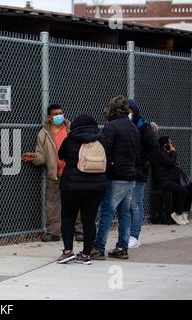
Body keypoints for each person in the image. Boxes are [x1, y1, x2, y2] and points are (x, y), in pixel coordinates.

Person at [22, 104, 83, 242]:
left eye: (61, 113)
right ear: (50, 117)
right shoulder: (43, 133)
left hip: (73, 173)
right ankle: (54, 232)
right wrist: (34, 158)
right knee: (52, 203)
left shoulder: (71, 129)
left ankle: (80, 231)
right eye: (55, 114)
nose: (59, 116)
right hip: (54, 174)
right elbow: (42, 155)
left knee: (77, 201)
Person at [91, 96, 140, 260]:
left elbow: (105, 151)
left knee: (107, 211)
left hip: (115, 175)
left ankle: (98, 248)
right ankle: (122, 247)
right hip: (130, 175)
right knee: (124, 212)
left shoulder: (111, 127)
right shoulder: (133, 127)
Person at [56, 114, 108, 265]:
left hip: (72, 186)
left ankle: (68, 252)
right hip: (97, 187)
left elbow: (61, 155)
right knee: (89, 220)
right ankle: (86, 254)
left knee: (68, 218)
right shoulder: (102, 139)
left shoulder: (70, 139)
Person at [127, 99, 160, 248]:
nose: (128, 113)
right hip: (126, 171)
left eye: (130, 110)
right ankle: (129, 235)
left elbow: (154, 149)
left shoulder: (143, 126)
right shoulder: (126, 125)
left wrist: (144, 165)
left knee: (135, 204)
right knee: (127, 205)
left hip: (138, 171)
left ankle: (134, 236)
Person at [152, 136, 191, 225]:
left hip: (171, 180)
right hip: (162, 182)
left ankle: (185, 212)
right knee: (183, 190)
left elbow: (173, 166)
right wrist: (173, 152)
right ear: (165, 145)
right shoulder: (159, 153)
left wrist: (171, 153)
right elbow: (170, 162)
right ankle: (178, 213)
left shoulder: (168, 153)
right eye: (170, 143)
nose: (172, 145)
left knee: (189, 187)